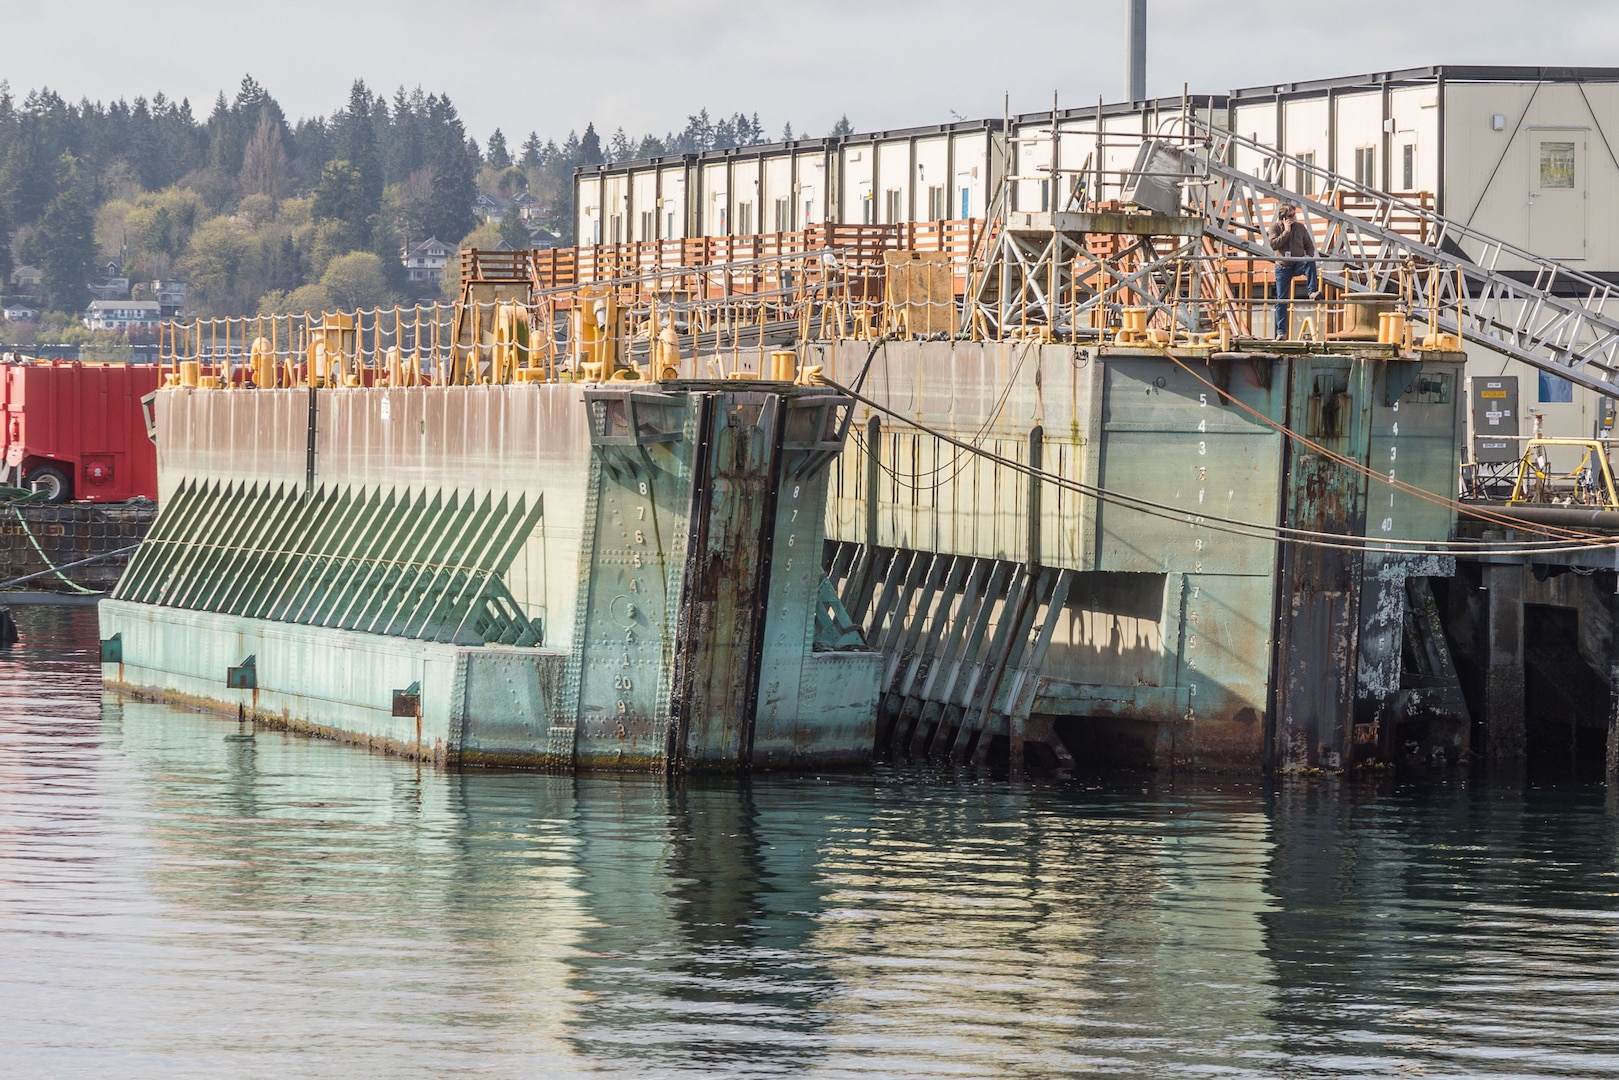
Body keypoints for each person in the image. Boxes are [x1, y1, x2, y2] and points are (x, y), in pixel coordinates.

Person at [1269, 204, 1318, 338]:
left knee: (1310, 261)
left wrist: (1308, 256)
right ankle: (1281, 332)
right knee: (1281, 300)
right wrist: (1286, 231)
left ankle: (1312, 291)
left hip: (1297, 263)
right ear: (1283, 217)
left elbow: (1309, 246)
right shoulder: (1275, 228)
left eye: (1294, 215)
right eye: (1290, 215)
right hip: (1282, 266)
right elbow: (1273, 244)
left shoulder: (1301, 228)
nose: (1293, 218)